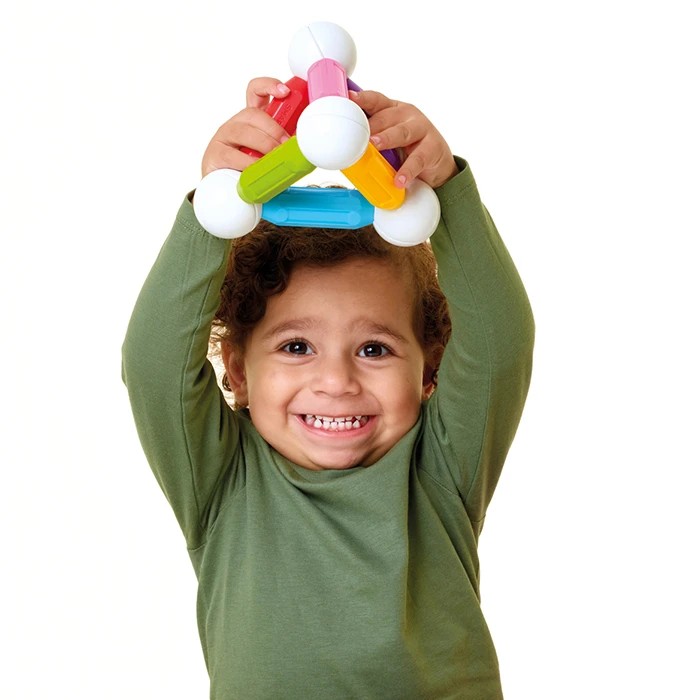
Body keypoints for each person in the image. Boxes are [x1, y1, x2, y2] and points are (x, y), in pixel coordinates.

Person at [122, 77, 535, 699]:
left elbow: (501, 341)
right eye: (296, 347)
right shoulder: (222, 478)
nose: (337, 382)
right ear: (238, 371)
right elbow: (154, 362)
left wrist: (447, 189)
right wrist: (215, 210)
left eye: (374, 349)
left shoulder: (442, 466)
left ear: (430, 369)